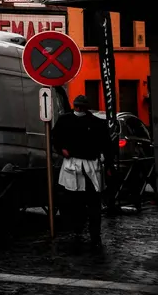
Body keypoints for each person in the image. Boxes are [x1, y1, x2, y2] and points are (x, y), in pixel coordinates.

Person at [53, 95, 112, 247]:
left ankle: (94, 235)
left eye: (81, 107)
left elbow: (106, 145)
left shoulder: (97, 123)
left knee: (93, 204)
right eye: (77, 107)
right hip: (72, 165)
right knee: (74, 203)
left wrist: (109, 166)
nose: (79, 109)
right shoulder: (64, 120)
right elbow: (55, 138)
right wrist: (61, 149)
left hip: (91, 166)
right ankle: (77, 232)